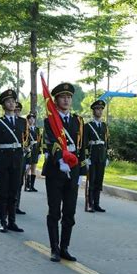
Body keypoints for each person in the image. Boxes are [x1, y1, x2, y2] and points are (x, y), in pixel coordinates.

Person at [42, 82, 86, 262]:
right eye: (62, 97)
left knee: (69, 212)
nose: (66, 100)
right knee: (54, 212)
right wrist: (60, 159)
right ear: (56, 100)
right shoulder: (50, 120)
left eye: (69, 97)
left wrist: (81, 172)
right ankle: (54, 248)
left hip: (73, 170)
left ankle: (65, 247)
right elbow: (51, 142)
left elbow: (82, 146)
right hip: (56, 170)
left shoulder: (78, 121)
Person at [0, 89, 27, 233]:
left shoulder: (22, 122)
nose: (12, 103)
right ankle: (2, 222)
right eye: (8, 101)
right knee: (3, 192)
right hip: (3, 161)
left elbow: (25, 139)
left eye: (13, 101)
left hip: (17, 160)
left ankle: (12, 221)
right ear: (4, 105)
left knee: (14, 191)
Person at [83, 100, 110, 213]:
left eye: (101, 109)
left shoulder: (104, 126)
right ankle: (90, 204)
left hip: (101, 156)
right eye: (97, 109)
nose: (99, 111)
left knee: (99, 180)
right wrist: (85, 157)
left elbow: (107, 142)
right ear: (93, 111)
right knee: (91, 181)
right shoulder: (87, 126)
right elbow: (84, 142)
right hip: (92, 155)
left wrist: (107, 156)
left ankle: (97, 204)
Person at [14, 101, 28, 215]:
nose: (17, 112)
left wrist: (26, 149)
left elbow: (26, 137)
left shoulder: (23, 122)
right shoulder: (5, 122)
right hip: (9, 155)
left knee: (19, 182)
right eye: (15, 110)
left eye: (18, 111)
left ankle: (16, 205)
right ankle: (9, 206)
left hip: (20, 155)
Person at [24, 113, 42, 192]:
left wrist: (40, 152)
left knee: (34, 168)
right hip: (28, 149)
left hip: (35, 149)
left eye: (33, 118)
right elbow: (24, 139)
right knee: (28, 168)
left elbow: (40, 141)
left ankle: (32, 186)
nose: (32, 120)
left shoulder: (37, 129)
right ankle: (27, 185)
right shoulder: (26, 129)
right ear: (27, 120)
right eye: (30, 118)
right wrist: (26, 147)